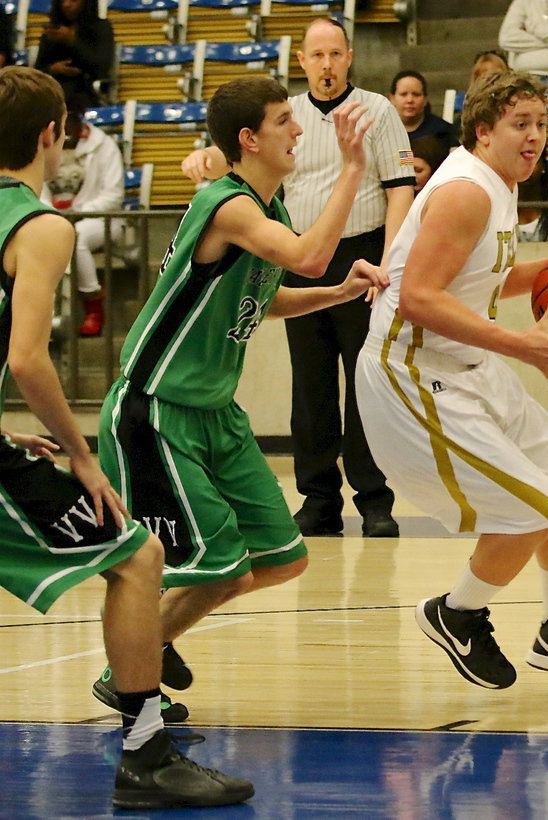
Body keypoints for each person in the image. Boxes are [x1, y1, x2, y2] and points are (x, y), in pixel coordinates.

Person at [95, 76, 389, 721]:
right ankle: (131, 669)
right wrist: (355, 168)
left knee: (282, 560)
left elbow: (263, 299)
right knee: (211, 568)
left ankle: (144, 647)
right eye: (286, 119)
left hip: (215, 412)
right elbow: (310, 258)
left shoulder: (266, 211)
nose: (299, 129)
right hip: (156, 408)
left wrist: (337, 294)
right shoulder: (229, 205)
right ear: (249, 139)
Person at [0, 65, 251, 811]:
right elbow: (25, 356)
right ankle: (145, 756)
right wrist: (80, 452)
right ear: (54, 134)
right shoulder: (41, 225)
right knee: (140, 556)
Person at [355, 72, 548, 690]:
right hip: (413, 369)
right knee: (529, 508)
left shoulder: (499, 185)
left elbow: (483, 280)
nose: (534, 137)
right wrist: (520, 343)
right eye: (520, 124)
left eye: (541, 123)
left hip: (467, 361)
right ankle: (457, 613)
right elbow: (421, 298)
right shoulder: (465, 192)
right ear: (483, 132)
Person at [183, 18, 414, 539]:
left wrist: (390, 265)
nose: (327, 65)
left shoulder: (377, 110)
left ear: (349, 57)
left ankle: (375, 499)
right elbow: (238, 155)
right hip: (299, 255)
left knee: (365, 386)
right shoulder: (289, 117)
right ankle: (318, 500)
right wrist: (205, 156)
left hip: (363, 257)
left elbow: (401, 188)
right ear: (303, 62)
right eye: (317, 56)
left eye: (335, 54)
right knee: (310, 389)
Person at [41, 94, 124, 336]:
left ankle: (93, 306)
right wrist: (52, 213)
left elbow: (113, 195)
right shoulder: (46, 144)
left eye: (70, 126)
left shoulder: (103, 145)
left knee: (74, 236)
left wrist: (76, 213)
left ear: (79, 122)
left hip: (102, 220)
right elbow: (38, 189)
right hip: (54, 219)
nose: (66, 135)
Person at [34, 0, 114, 107]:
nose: (66, 4)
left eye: (73, 0)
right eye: (62, 0)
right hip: (54, 91)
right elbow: (37, 70)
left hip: (85, 91)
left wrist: (73, 41)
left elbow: (102, 68)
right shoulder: (53, 30)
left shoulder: (101, 27)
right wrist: (53, 69)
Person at [389, 69, 458, 151]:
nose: (410, 100)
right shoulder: (382, 131)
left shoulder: (443, 132)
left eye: (416, 94)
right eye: (403, 94)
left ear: (425, 99)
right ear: (392, 99)